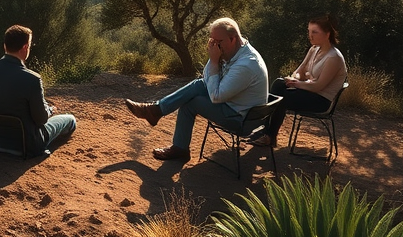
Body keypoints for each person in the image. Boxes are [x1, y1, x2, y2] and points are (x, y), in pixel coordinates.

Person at [124, 17, 268, 162]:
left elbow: (216, 96)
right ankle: (157, 112)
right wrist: (214, 59)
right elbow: (206, 79)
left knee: (191, 102)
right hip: (235, 106)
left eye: (218, 42)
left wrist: (213, 60)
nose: (215, 46)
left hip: (242, 119)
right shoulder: (234, 51)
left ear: (233, 38)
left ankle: (174, 139)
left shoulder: (246, 65)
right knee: (198, 85)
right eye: (212, 41)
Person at [0, 24, 77, 157]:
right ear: (25, 48)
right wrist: (49, 110)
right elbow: (41, 119)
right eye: (30, 45)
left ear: (5, 46)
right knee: (70, 120)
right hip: (24, 146)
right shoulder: (32, 79)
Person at [251, 14, 347, 147]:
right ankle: (266, 133)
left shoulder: (333, 57)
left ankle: (268, 135)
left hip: (320, 100)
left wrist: (297, 84)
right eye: (309, 31)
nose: (310, 35)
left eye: (314, 32)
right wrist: (293, 79)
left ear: (327, 34)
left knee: (280, 99)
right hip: (308, 91)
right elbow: (299, 71)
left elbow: (318, 87)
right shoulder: (314, 49)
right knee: (279, 83)